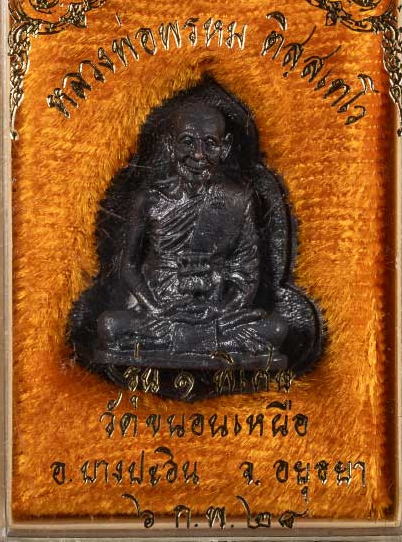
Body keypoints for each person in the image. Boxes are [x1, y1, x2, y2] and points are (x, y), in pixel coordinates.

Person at [97, 99, 288, 358]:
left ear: (225, 148)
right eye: (187, 142)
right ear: (171, 145)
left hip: (216, 312)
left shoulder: (237, 199)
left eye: (210, 144)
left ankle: (180, 341)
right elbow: (129, 267)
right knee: (109, 326)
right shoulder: (150, 199)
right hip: (161, 312)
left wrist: (219, 308)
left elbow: (246, 273)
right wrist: (156, 308)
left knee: (276, 329)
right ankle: (204, 341)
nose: (198, 154)